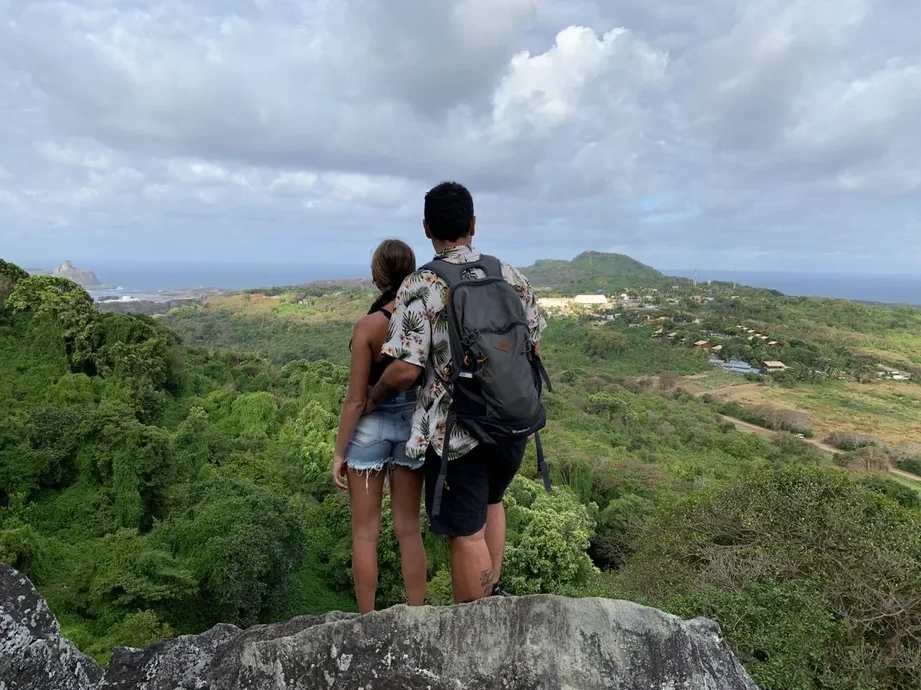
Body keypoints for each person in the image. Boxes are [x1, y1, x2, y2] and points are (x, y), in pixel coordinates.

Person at [364, 181, 547, 604]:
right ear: (473, 225)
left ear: (427, 228)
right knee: (492, 503)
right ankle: (494, 595)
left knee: (466, 533)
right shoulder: (507, 273)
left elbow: (407, 371)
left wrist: (374, 394)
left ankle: (479, 621)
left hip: (458, 432)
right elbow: (534, 343)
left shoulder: (421, 284)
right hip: (513, 421)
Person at [331, 239, 427, 615]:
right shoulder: (425, 322)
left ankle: (367, 620)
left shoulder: (368, 327)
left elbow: (356, 400)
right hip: (411, 428)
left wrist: (339, 452)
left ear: (378, 276)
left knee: (365, 534)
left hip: (369, 431)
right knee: (409, 529)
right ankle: (417, 613)